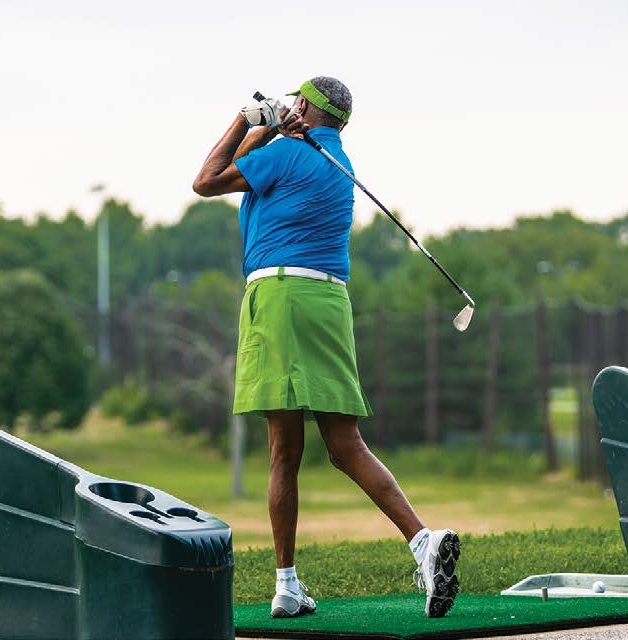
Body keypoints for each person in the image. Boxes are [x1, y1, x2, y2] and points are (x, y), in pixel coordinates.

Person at [192, 76, 460, 619]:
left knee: (283, 450)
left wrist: (247, 119)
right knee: (344, 445)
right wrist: (271, 128)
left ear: (309, 111)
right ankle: (422, 543)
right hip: (330, 301)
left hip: (279, 296)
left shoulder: (288, 151)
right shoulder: (338, 163)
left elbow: (206, 181)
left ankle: (287, 582)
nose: (289, 106)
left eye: (296, 101)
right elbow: (251, 178)